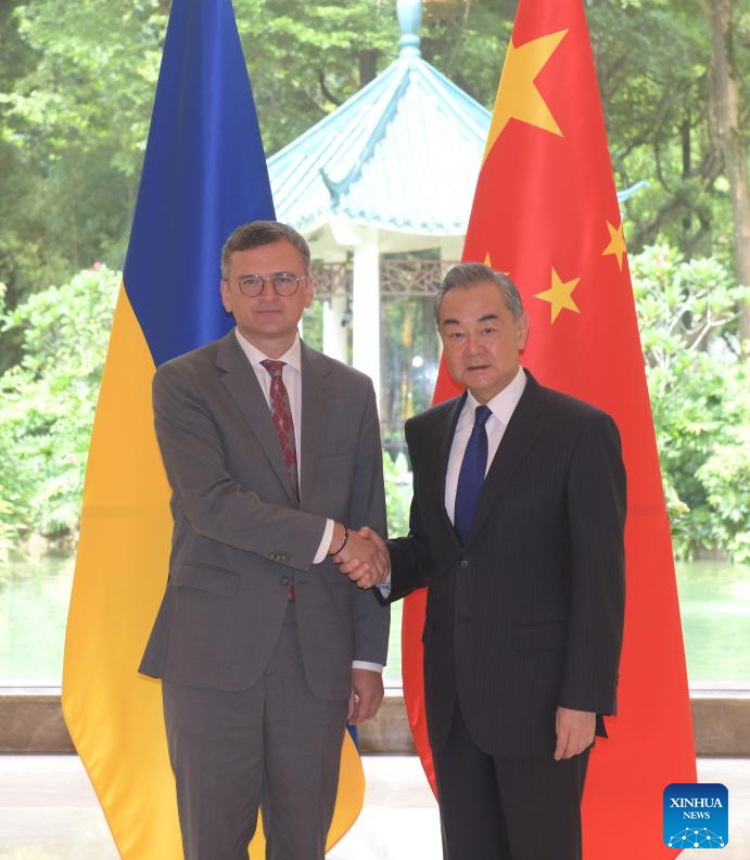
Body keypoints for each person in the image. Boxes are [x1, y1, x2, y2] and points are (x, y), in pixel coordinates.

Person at [341, 263, 626, 860]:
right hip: (455, 701)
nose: (473, 346)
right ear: (442, 343)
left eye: (488, 327)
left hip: (545, 705)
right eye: (455, 331)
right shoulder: (429, 432)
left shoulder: (581, 431)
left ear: (521, 330)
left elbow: (601, 581)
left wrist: (584, 697)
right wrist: (381, 562)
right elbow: (435, 551)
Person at [139, 220, 390, 860]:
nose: (267, 293)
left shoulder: (353, 392)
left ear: (309, 289)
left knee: (303, 842)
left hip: (320, 659)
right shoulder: (183, 383)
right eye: (249, 281)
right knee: (214, 842)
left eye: (283, 279)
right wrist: (334, 538)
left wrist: (367, 657)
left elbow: (370, 523)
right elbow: (214, 506)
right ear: (226, 293)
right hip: (212, 658)